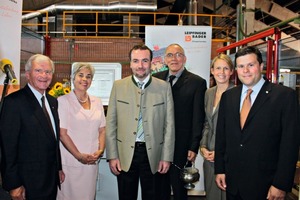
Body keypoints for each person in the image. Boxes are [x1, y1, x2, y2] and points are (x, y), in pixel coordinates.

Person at [215, 46, 300, 200]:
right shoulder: (229, 97)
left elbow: (290, 144)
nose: (245, 70)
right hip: (233, 183)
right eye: (241, 66)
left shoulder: (284, 97)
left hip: (266, 186)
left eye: (251, 65)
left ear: (261, 66)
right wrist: (219, 169)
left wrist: (281, 184)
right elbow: (222, 136)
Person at [106, 44, 175, 200]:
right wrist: (112, 156)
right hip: (125, 154)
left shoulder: (164, 88)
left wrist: (166, 157)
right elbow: (111, 123)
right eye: (136, 61)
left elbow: (169, 126)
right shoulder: (118, 86)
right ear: (130, 63)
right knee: (126, 196)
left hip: (154, 155)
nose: (140, 65)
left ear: (151, 62)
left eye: (145, 61)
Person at [0, 54, 65, 200]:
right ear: (28, 74)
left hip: (50, 179)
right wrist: (13, 184)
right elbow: (7, 147)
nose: (44, 75)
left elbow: (53, 139)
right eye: (38, 71)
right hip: (26, 183)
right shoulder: (14, 103)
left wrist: (58, 168)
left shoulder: (52, 101)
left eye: (48, 72)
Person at [153, 43, 207, 200]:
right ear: (164, 59)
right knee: (159, 187)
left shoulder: (197, 83)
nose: (174, 59)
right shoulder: (156, 79)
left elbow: (198, 118)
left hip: (181, 145)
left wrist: (193, 146)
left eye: (178, 55)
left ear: (184, 59)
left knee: (178, 189)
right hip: (158, 144)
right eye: (169, 55)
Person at [56, 63, 106, 200]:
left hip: (91, 162)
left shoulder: (97, 101)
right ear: (73, 77)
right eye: (81, 75)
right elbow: (62, 134)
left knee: (88, 196)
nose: (84, 79)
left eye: (88, 76)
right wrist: (79, 156)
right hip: (71, 162)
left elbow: (102, 129)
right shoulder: (63, 101)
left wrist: (100, 150)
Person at [200, 54, 234, 200]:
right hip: (209, 156)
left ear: (232, 71)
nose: (222, 72)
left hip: (228, 156)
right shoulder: (208, 93)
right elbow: (207, 123)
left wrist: (221, 151)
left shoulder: (237, 93)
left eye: (226, 68)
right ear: (212, 70)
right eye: (218, 68)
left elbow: (237, 129)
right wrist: (202, 146)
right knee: (212, 195)